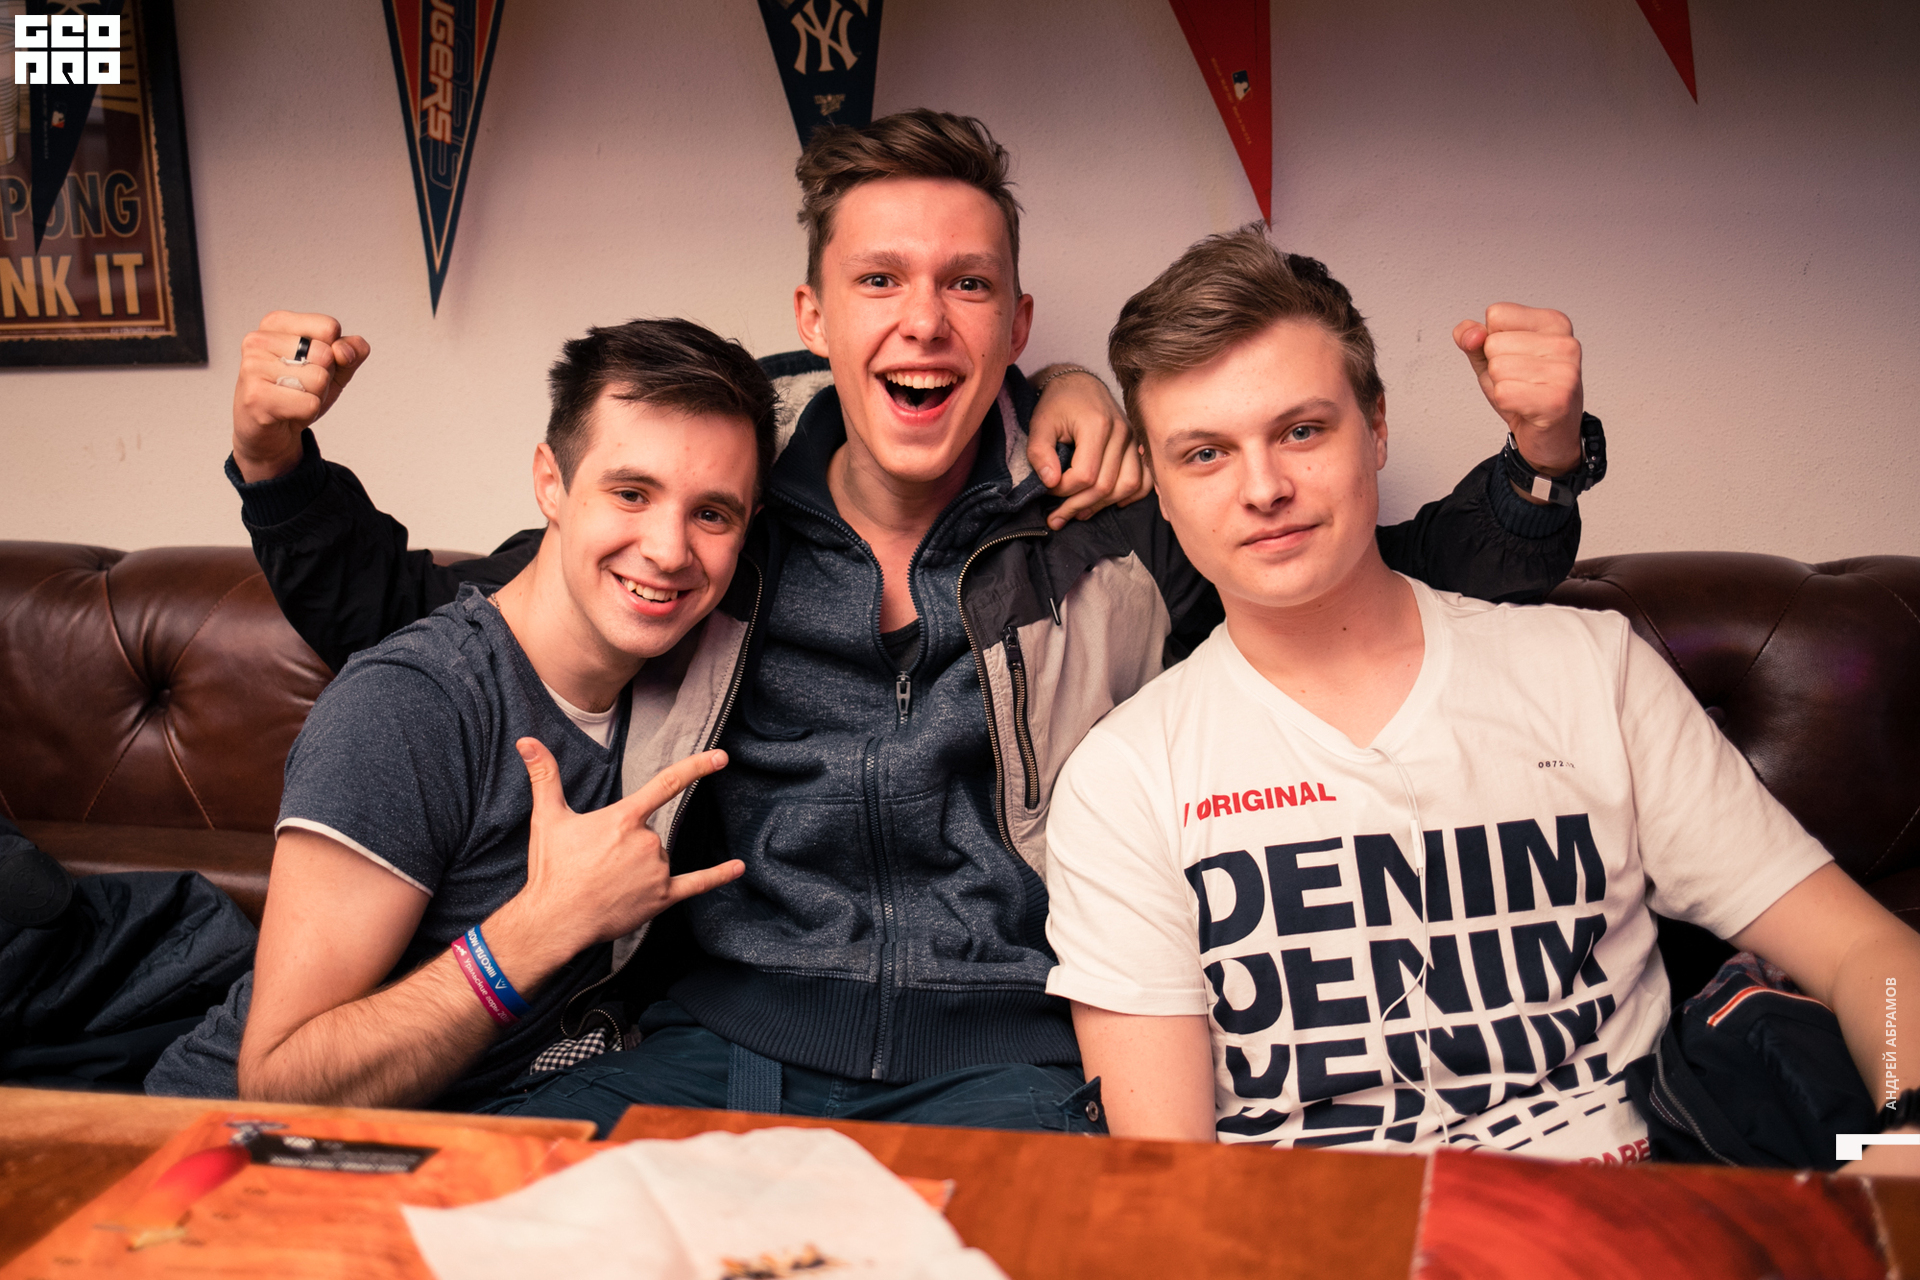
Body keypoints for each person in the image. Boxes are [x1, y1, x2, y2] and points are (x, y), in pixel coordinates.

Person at [214, 111, 1591, 1132]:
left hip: (1016, 1062)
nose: (923, 321)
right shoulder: (711, 525)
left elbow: (1377, 588)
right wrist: (277, 465)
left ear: (1015, 322)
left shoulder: (1109, 530)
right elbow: (415, 617)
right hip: (713, 1043)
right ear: (813, 315)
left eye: (966, 285)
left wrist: (1539, 461)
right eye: (879, 281)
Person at [1040, 225, 1920, 1164]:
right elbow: (1170, 1178)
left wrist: (1906, 1135)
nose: (1265, 488)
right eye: (1205, 454)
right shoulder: (1123, 779)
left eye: (1302, 431)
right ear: (1160, 488)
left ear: (1377, 428)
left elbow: (1870, 958)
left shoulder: (1591, 672)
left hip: (1627, 1213)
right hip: (1320, 1232)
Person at [147, 320, 764, 1107]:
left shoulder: (682, 680)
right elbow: (281, 1081)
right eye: (630, 494)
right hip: (230, 1144)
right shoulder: (410, 704)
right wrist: (545, 924)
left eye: (712, 514)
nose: (670, 550)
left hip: (511, 1122)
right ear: (550, 483)